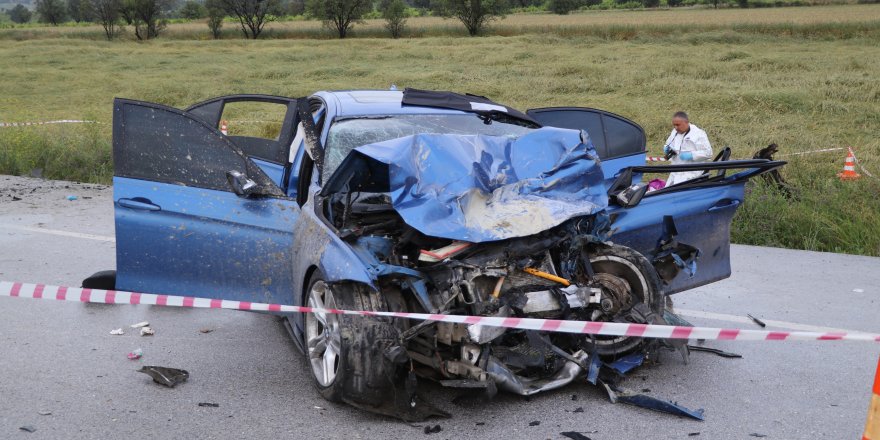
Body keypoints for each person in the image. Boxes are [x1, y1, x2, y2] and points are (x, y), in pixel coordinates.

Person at [663, 111, 713, 186]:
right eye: (674, 125)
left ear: (686, 122)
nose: (676, 127)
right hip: (675, 171)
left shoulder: (698, 134)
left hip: (691, 173)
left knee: (679, 193)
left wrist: (691, 155)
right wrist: (666, 148)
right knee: (666, 192)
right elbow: (668, 143)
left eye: (678, 125)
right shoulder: (674, 132)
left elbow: (708, 153)